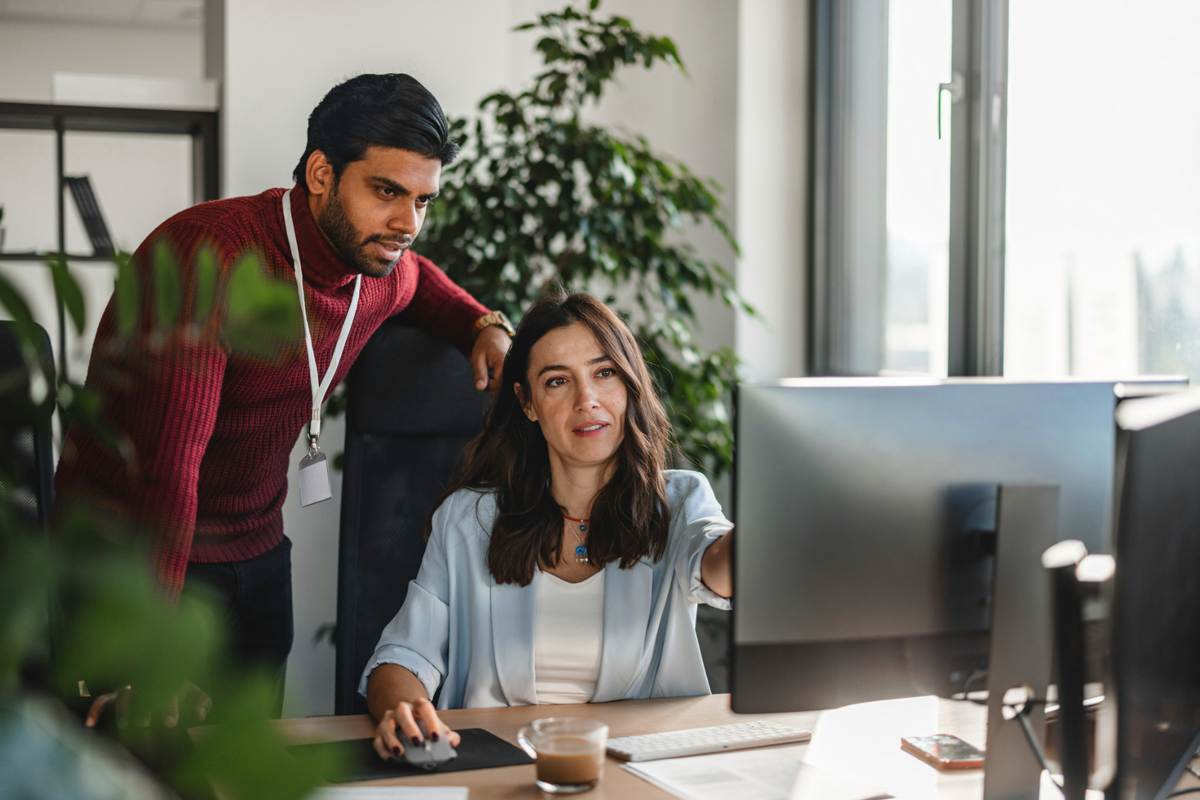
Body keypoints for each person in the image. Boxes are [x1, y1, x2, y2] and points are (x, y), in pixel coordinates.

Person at [52, 73, 513, 723]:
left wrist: (484, 323)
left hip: (259, 552)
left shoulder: (374, 264)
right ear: (322, 173)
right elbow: (166, 470)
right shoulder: (209, 254)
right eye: (387, 191)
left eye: (423, 200)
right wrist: (149, 652)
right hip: (131, 561)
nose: (408, 223)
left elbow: (422, 282)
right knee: (136, 758)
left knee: (249, 754)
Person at [359, 292, 734, 762]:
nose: (587, 400)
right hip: (494, 766)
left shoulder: (678, 502)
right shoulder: (468, 518)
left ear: (629, 384)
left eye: (604, 373)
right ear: (528, 402)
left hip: (638, 769)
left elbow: (720, 568)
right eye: (557, 381)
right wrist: (405, 711)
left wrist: (771, 514)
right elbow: (403, 656)